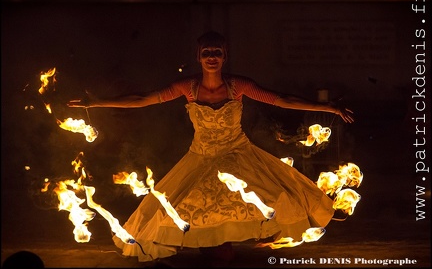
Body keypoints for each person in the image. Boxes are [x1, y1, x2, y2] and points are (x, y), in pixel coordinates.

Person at [68, 31, 354, 264]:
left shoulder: (238, 86)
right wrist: (96, 102)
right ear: (198, 57)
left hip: (238, 153)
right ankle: (213, 249)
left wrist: (326, 107)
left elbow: (281, 99)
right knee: (183, 209)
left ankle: (227, 248)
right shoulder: (187, 88)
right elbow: (143, 99)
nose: (212, 57)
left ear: (225, 56)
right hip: (201, 156)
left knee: (274, 198)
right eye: (207, 53)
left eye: (217, 52)